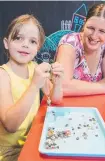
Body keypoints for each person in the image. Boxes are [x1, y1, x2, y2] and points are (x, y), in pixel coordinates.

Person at [0, 14, 64, 161]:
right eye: (18, 38)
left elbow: (54, 98)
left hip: (32, 141)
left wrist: (58, 82)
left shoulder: (33, 67)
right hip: (9, 153)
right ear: (6, 43)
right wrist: (34, 85)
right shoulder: (3, 75)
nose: (25, 44)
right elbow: (11, 125)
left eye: (32, 41)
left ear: (38, 47)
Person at [56, 3, 105, 96]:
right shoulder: (70, 42)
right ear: (84, 23)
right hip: (68, 107)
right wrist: (104, 87)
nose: (94, 36)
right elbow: (62, 86)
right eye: (91, 28)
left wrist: (77, 87)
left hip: (95, 106)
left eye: (102, 31)